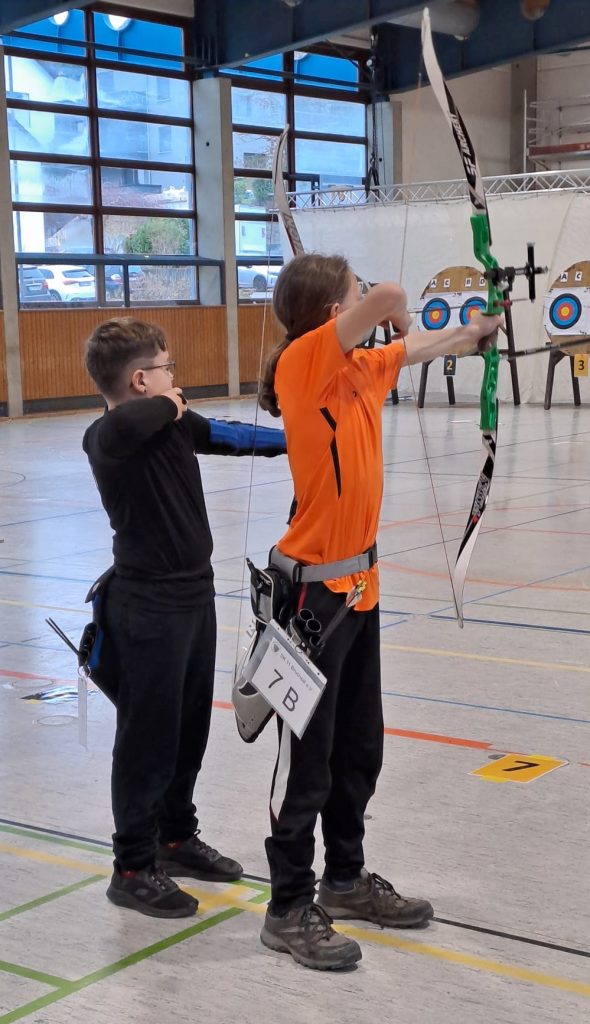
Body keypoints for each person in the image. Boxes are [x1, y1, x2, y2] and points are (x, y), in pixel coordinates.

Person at [257, 253, 501, 970]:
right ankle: (287, 906)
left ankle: (343, 879)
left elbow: (420, 343)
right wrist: (392, 307)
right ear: (334, 314)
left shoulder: (360, 369)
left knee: (359, 748)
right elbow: (394, 296)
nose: (369, 295)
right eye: (354, 292)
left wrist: (478, 331)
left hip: (359, 589)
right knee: (309, 762)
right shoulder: (303, 363)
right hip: (312, 600)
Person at [82, 317, 286, 919]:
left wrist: (295, 439)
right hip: (147, 606)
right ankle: (131, 866)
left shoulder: (170, 422)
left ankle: (174, 838)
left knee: (189, 726)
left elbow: (224, 434)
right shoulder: (107, 435)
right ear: (140, 380)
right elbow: (129, 422)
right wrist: (170, 404)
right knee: (147, 737)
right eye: (166, 369)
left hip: (194, 596)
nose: (176, 379)